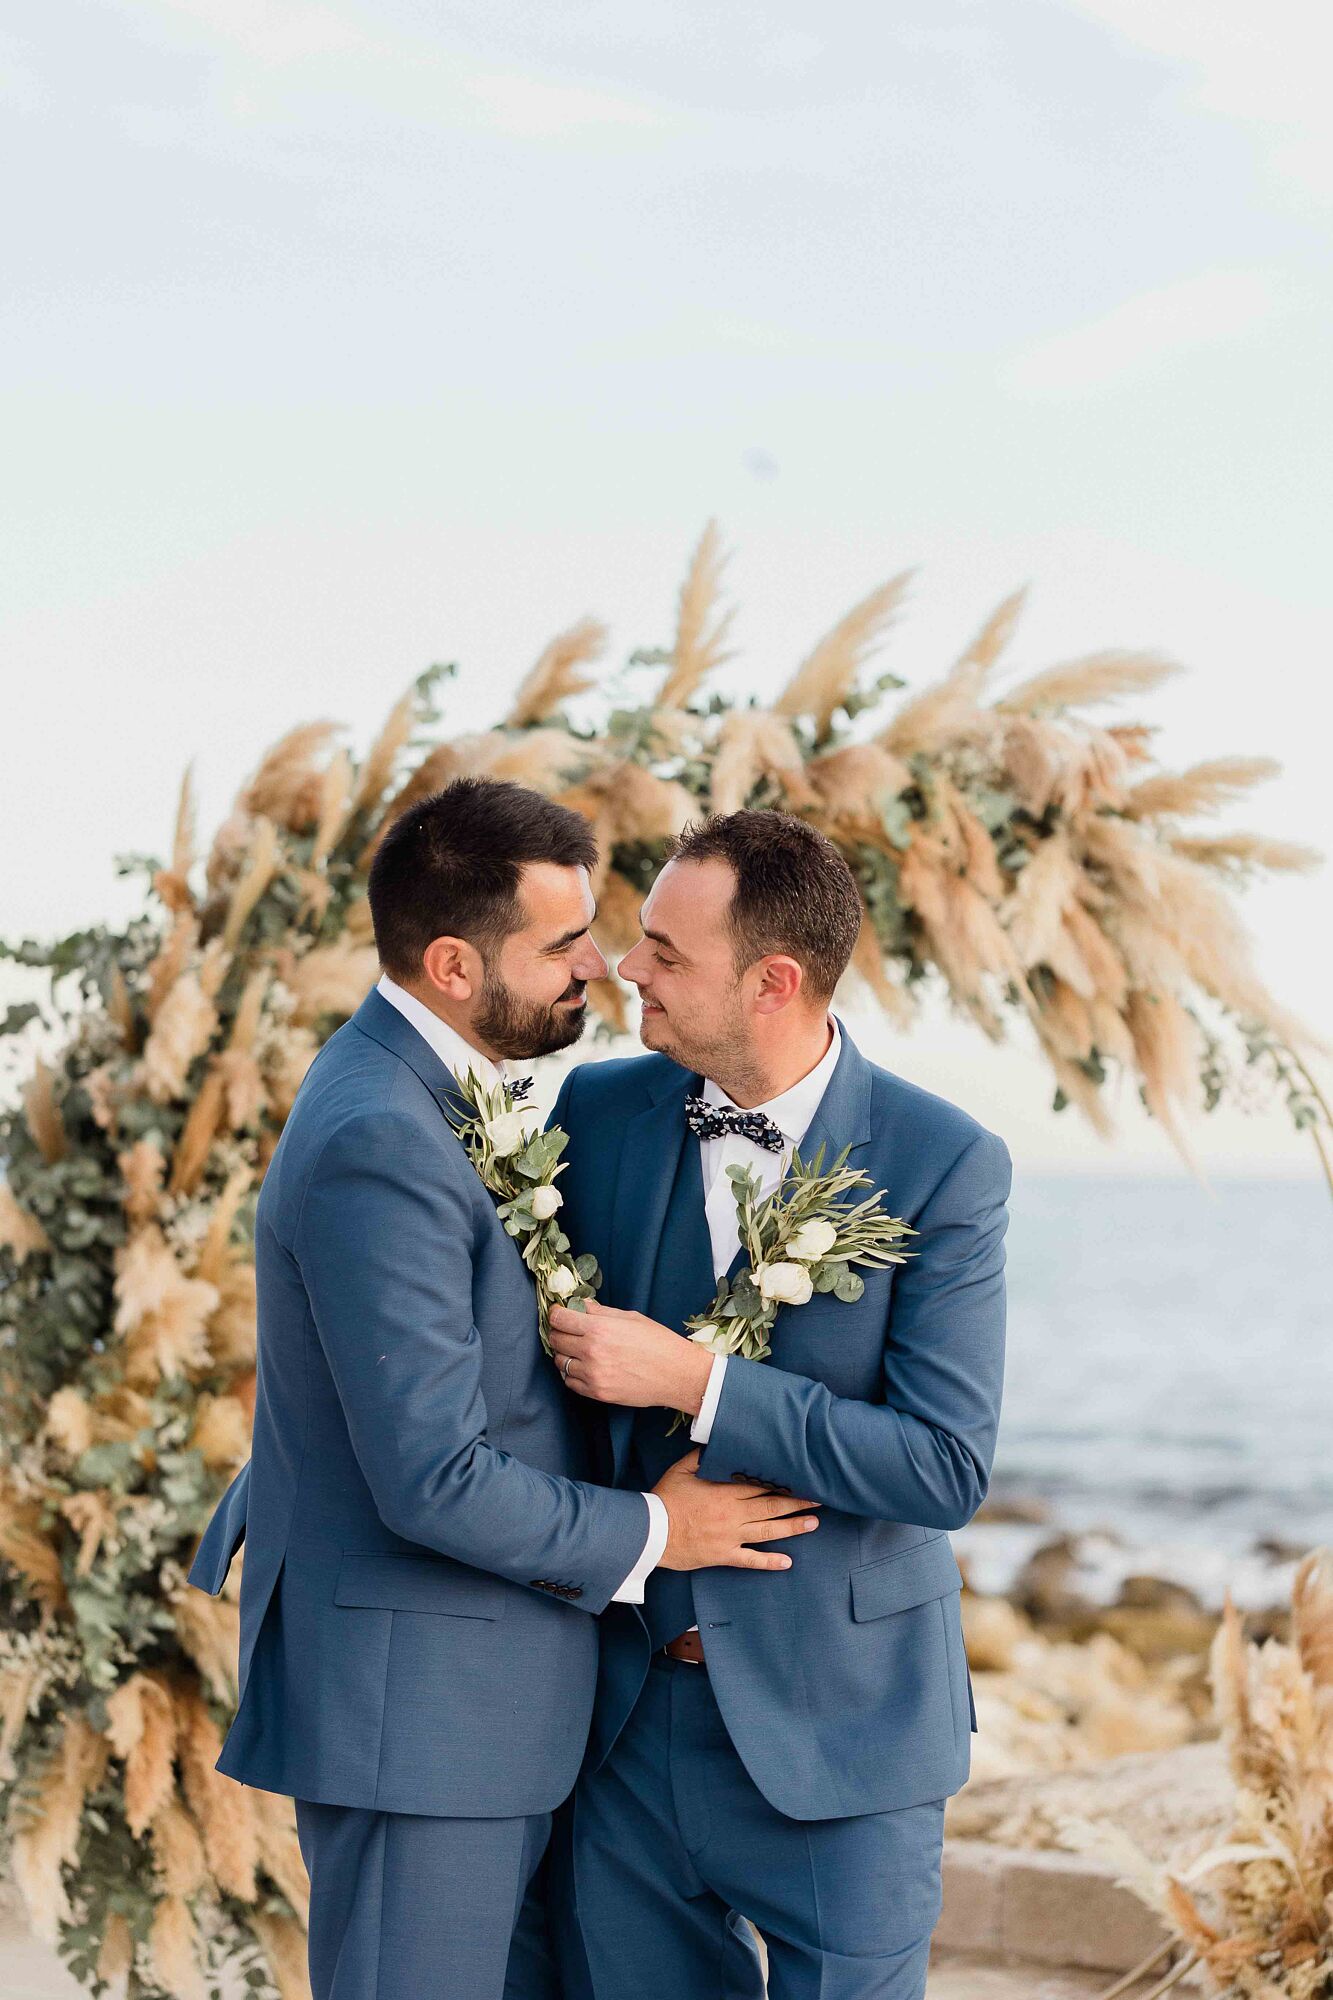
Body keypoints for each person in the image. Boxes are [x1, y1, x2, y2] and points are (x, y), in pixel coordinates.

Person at [186, 779, 816, 2000]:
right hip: (418, 1722)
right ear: (453, 963)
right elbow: (431, 1473)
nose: (601, 963)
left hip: (477, 1717)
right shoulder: (379, 1131)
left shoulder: (422, 1091)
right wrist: (660, 1527)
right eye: (562, 942)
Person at [545, 810, 1012, 2000]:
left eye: (664, 951)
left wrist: (696, 1383)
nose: (624, 967)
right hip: (622, 1719)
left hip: (843, 1731)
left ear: (774, 982)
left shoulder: (944, 1158)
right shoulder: (590, 1117)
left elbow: (943, 1465)